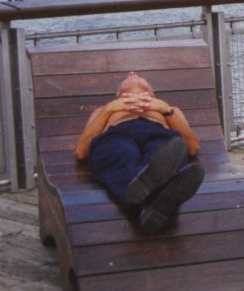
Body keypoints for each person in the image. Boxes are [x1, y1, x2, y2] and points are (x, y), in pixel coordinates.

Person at [75, 71, 205, 235]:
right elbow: (81, 151)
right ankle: (155, 200)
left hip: (158, 133)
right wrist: (109, 110)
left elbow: (192, 148)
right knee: (121, 155)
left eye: (136, 74)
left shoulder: (169, 109)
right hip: (117, 134)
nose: (132, 73)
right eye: (128, 76)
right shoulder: (105, 110)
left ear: (152, 94)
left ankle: (143, 202)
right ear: (119, 95)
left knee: (163, 154)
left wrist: (166, 110)